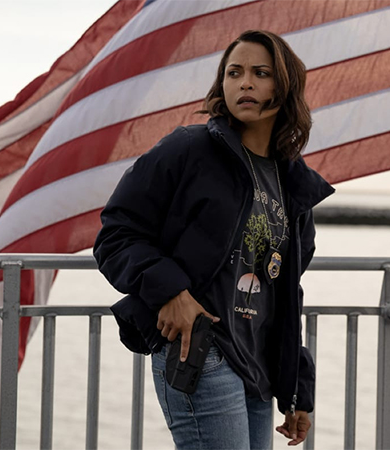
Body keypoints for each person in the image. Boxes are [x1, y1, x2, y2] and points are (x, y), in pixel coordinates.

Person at [93, 29, 334, 449]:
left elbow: (284, 296)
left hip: (256, 364)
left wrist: (297, 388)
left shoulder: (293, 184)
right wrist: (172, 292)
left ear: (286, 85)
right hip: (199, 347)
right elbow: (116, 233)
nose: (245, 83)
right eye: (234, 72)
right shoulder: (189, 149)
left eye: (261, 73)